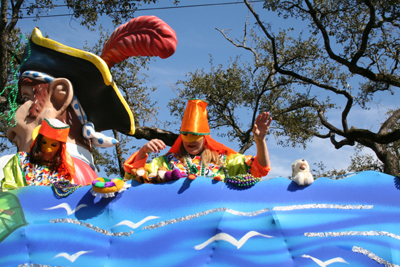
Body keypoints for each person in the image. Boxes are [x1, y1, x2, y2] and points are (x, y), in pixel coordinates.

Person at [124, 99, 272, 186]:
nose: (190, 140)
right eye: (187, 135)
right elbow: (134, 179)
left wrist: (260, 141)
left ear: (205, 137)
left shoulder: (225, 160)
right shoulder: (165, 163)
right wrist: (143, 152)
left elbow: (260, 168)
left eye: (195, 135)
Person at [2, 118, 75, 189]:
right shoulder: (20, 160)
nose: (47, 149)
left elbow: (69, 194)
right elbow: (8, 188)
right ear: (38, 142)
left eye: (54, 145)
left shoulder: (64, 172)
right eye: (44, 142)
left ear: (60, 148)